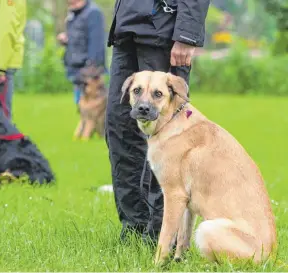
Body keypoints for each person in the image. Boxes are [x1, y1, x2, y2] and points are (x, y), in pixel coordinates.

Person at [105, 0, 210, 243]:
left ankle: (161, 235)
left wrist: (186, 34)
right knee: (119, 128)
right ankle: (134, 227)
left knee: (168, 140)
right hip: (126, 30)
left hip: (164, 29)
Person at [56, 0, 106, 110]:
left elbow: (96, 44)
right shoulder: (75, 13)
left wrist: (90, 71)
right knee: (82, 108)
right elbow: (80, 38)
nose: (69, 4)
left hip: (88, 73)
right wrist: (66, 39)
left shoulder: (93, 13)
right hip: (77, 70)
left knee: (92, 112)